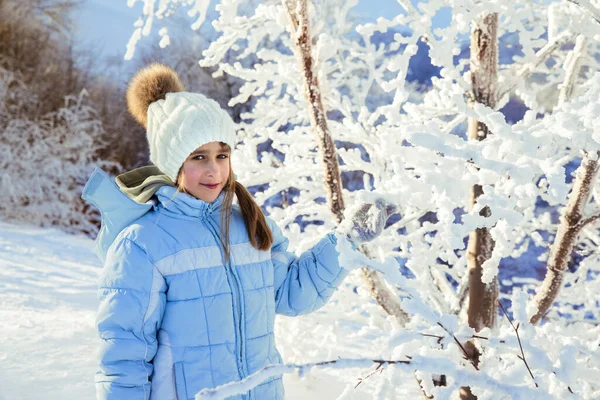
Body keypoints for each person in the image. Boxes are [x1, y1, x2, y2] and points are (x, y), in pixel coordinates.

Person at [82, 63, 396, 400]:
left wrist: (346, 240)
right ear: (172, 163)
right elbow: (124, 355)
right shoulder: (143, 243)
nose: (214, 169)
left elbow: (292, 294)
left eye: (222, 154)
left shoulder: (248, 222)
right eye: (198, 157)